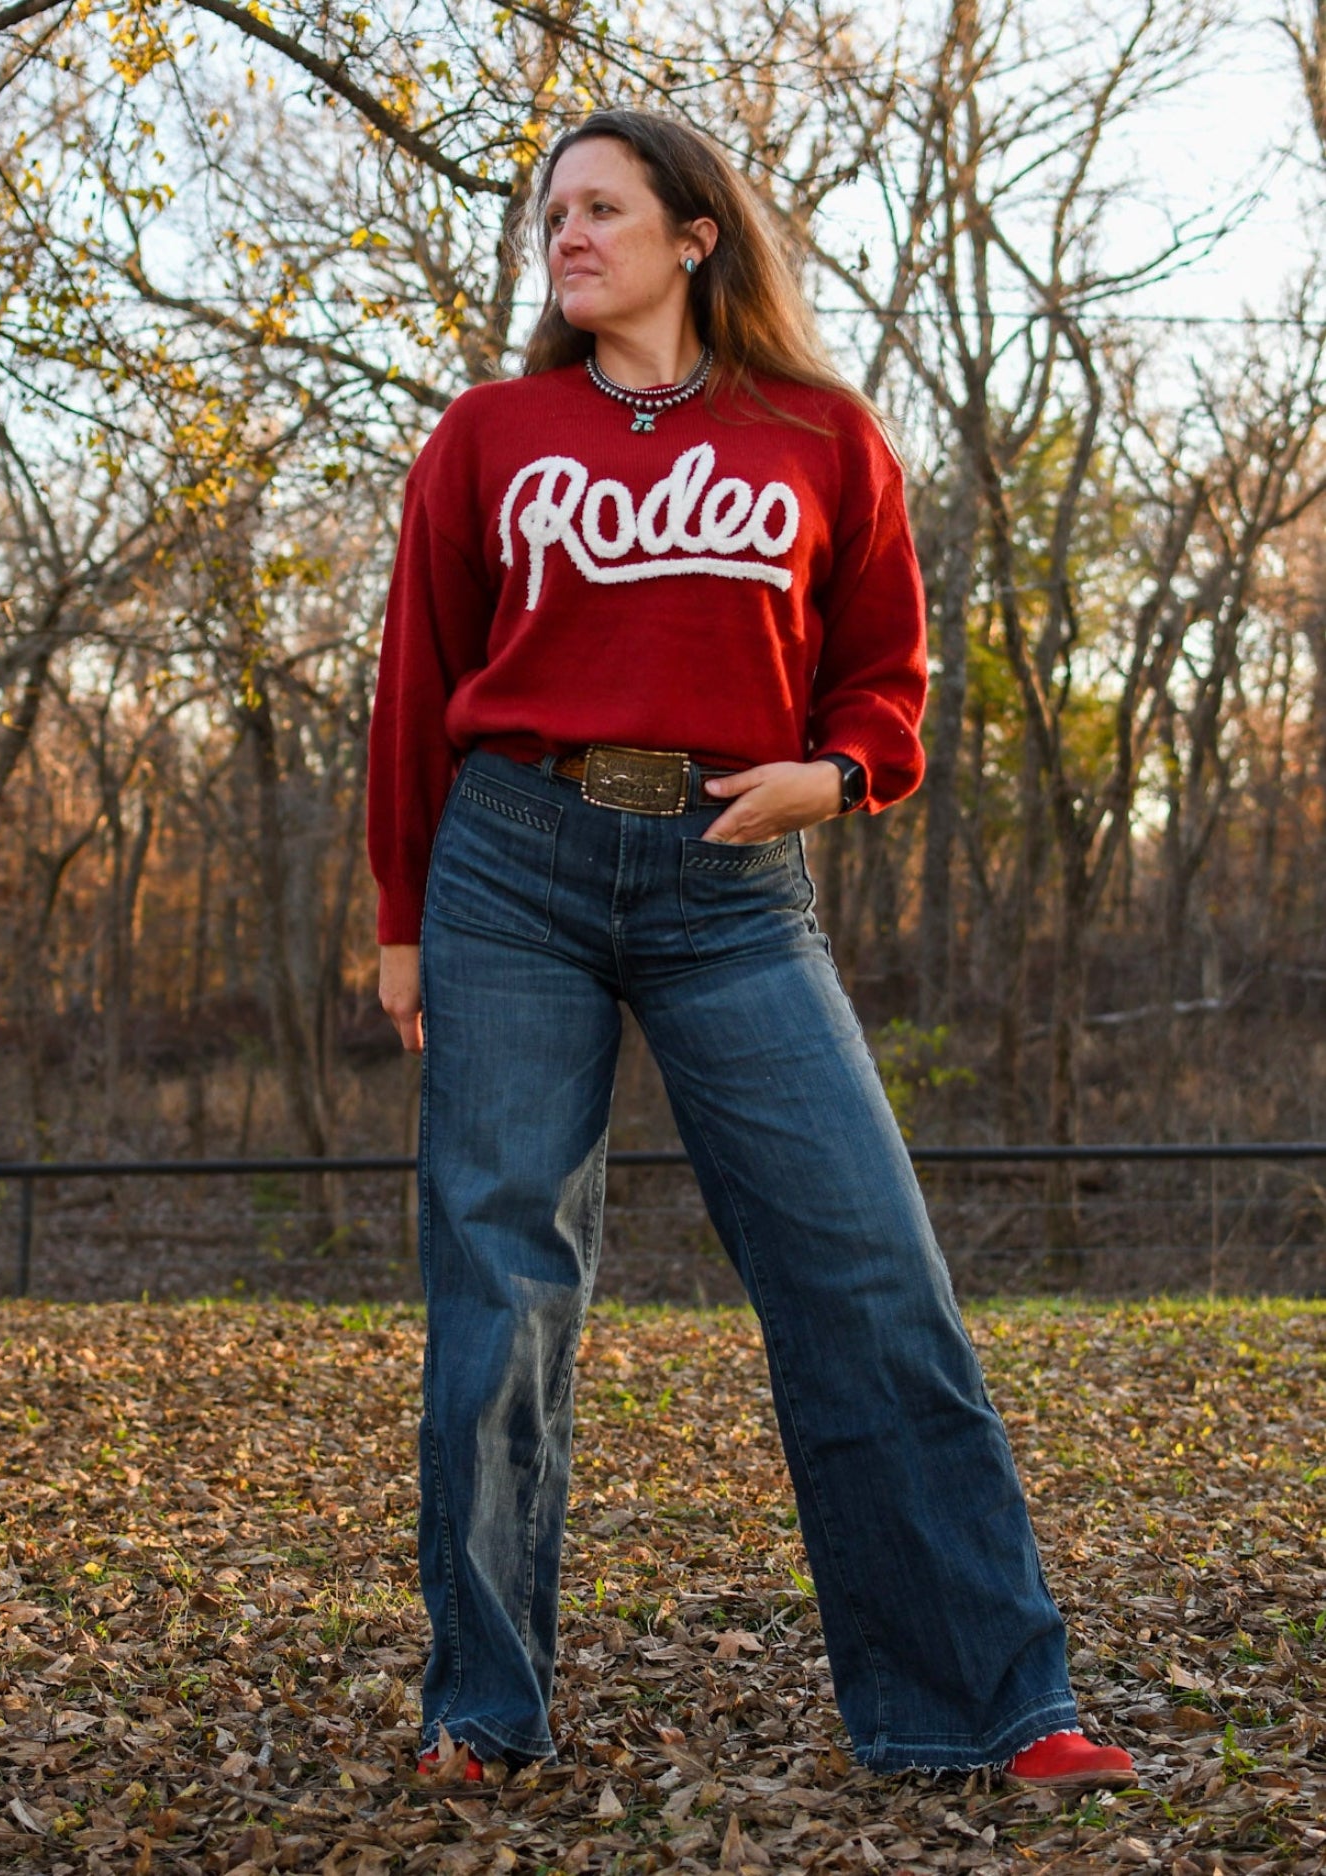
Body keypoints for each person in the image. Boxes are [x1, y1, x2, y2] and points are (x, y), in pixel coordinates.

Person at [366, 107, 1134, 1794]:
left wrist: (842, 775)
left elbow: (884, 664)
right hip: (514, 866)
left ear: (694, 233)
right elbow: (417, 678)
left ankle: (986, 1707)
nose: (567, 235)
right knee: (501, 1292)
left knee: (870, 1274)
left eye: (601, 207)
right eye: (552, 214)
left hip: (730, 883)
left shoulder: (819, 434)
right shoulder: (491, 434)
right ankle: (480, 1712)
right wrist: (403, 920)